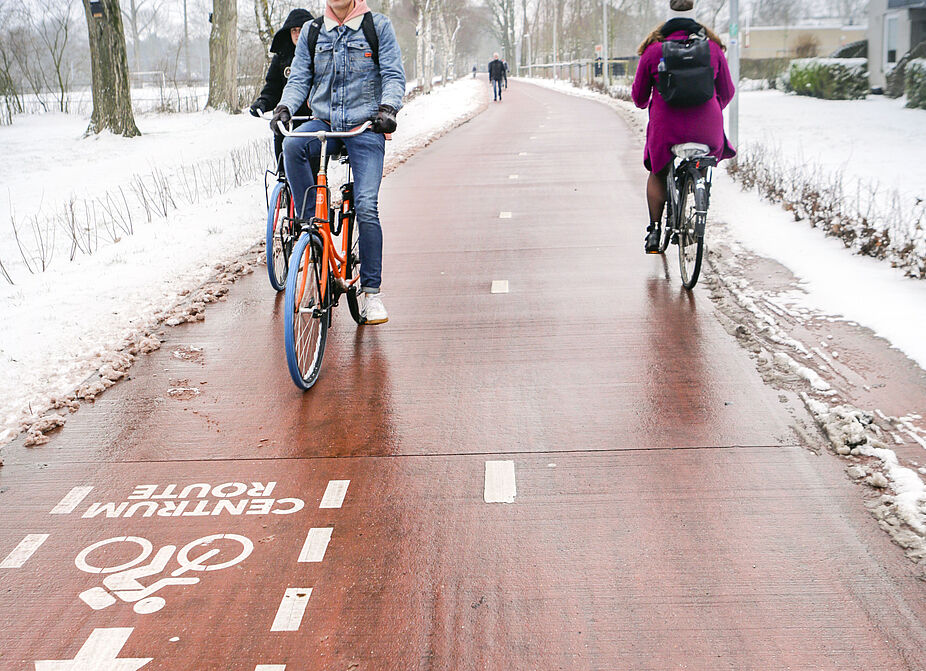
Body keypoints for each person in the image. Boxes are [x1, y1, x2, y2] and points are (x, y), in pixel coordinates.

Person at [271, 0, 405, 325]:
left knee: (366, 205)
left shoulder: (378, 27)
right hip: (325, 122)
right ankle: (312, 236)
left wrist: (388, 109)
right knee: (292, 145)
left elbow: (392, 75)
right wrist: (285, 106)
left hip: (365, 126)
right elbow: (300, 77)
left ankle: (372, 293)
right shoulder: (314, 32)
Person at [631, 0, 735, 254]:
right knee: (702, 164)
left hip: (667, 129)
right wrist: (710, 108)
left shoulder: (653, 51)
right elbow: (728, 92)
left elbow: (639, 98)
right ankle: (696, 203)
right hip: (706, 128)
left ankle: (654, 231)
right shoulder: (712, 48)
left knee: (658, 171)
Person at [249, 9, 314, 171]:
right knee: (283, 169)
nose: (298, 34)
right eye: (294, 30)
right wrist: (263, 103)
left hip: (313, 120)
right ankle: (283, 192)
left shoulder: (320, 55)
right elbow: (273, 87)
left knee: (313, 173)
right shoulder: (281, 58)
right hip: (287, 121)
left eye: (302, 30)